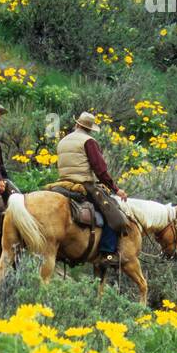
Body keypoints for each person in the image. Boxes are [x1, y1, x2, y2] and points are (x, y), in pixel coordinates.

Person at [56, 111, 128, 261]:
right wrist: (116, 189)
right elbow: (100, 170)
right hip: (82, 185)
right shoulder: (89, 141)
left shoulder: (63, 141)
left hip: (61, 184)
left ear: (77, 124)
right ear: (89, 129)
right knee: (113, 214)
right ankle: (108, 253)